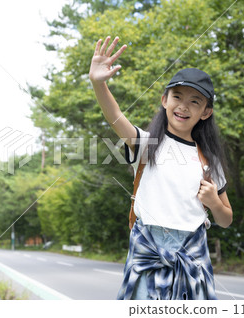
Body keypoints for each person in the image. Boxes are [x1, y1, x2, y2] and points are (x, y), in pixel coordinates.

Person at [89, 36, 233, 300]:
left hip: (193, 253)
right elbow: (114, 116)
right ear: (164, 99)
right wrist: (99, 83)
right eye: (177, 96)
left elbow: (226, 219)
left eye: (195, 101)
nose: (183, 106)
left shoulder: (208, 160)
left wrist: (213, 202)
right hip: (147, 252)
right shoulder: (145, 144)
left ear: (206, 112)